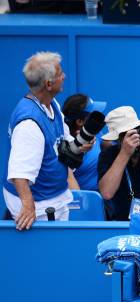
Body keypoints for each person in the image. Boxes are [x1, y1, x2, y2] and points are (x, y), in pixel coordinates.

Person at [3, 52, 75, 229]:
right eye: (60, 74)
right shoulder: (29, 125)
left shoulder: (52, 104)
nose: (64, 76)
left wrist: (80, 145)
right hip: (42, 206)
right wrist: (28, 207)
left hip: (54, 196)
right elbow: (19, 174)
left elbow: (64, 139)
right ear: (49, 84)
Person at [62, 93, 107, 192]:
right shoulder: (64, 148)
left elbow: (107, 144)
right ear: (80, 122)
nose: (96, 118)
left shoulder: (94, 131)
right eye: (92, 115)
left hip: (105, 195)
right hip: (88, 199)